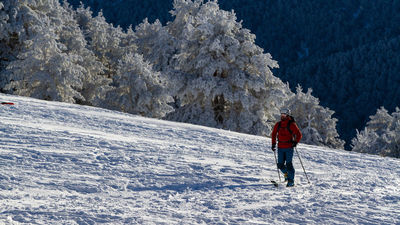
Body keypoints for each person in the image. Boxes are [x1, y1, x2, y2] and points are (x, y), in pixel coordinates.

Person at [271, 109, 302, 187]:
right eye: (281, 114)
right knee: (280, 165)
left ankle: (291, 182)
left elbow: (299, 134)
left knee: (289, 165)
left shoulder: (291, 124)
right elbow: (274, 134)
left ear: (288, 115)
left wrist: (295, 142)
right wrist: (273, 144)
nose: (282, 116)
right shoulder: (278, 124)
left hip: (289, 147)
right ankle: (287, 176)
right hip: (280, 147)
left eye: (284, 114)